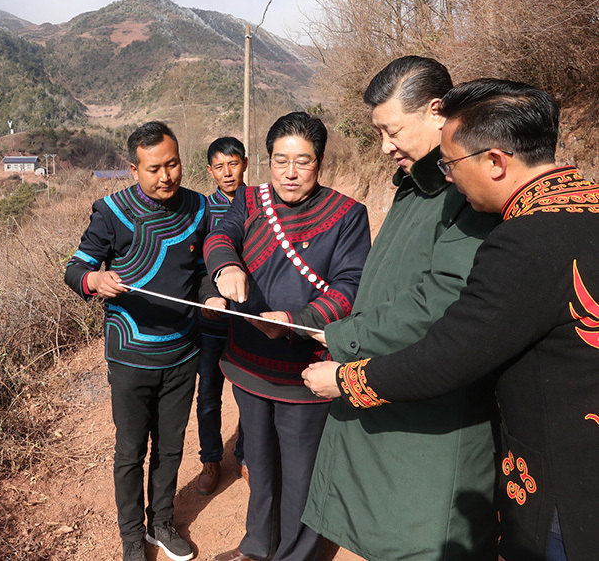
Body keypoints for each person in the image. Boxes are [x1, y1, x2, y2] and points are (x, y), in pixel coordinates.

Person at [303, 78, 599, 561]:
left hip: (568, 491)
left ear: (496, 162)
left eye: (452, 164)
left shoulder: (523, 241)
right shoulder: (587, 212)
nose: (449, 178)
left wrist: (347, 378)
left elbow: (451, 354)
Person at [300, 56, 501, 560]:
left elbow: (445, 298)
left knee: (424, 535)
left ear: (437, 112)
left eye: (393, 131)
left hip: (433, 411)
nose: (386, 147)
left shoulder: (468, 189)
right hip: (391, 377)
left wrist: (346, 337)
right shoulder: (420, 186)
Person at [204, 112, 370, 561]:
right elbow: (221, 234)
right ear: (268, 160)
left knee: (301, 472)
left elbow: (351, 285)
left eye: (303, 162)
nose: (290, 173)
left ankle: (297, 555)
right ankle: (258, 547)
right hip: (249, 361)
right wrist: (227, 265)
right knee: (258, 460)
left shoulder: (348, 214)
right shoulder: (250, 199)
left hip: (305, 369)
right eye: (280, 161)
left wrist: (297, 318)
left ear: (320, 163)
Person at [64, 121, 210, 561]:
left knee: (170, 445)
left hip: (184, 352)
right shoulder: (111, 212)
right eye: (153, 169)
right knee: (131, 450)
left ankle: (161, 523)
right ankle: (131, 535)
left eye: (173, 164)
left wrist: (214, 294)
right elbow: (76, 268)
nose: (165, 176)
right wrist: (95, 278)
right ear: (133, 169)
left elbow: (202, 272)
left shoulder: (200, 209)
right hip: (130, 356)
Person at [196, 136, 247, 496]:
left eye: (233, 163)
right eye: (219, 166)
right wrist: (210, 298)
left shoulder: (261, 201)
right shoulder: (202, 210)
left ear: (244, 162)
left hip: (249, 315)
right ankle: (211, 459)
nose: (227, 173)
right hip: (213, 316)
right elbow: (197, 267)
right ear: (210, 171)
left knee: (248, 390)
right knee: (209, 393)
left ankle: (246, 456)